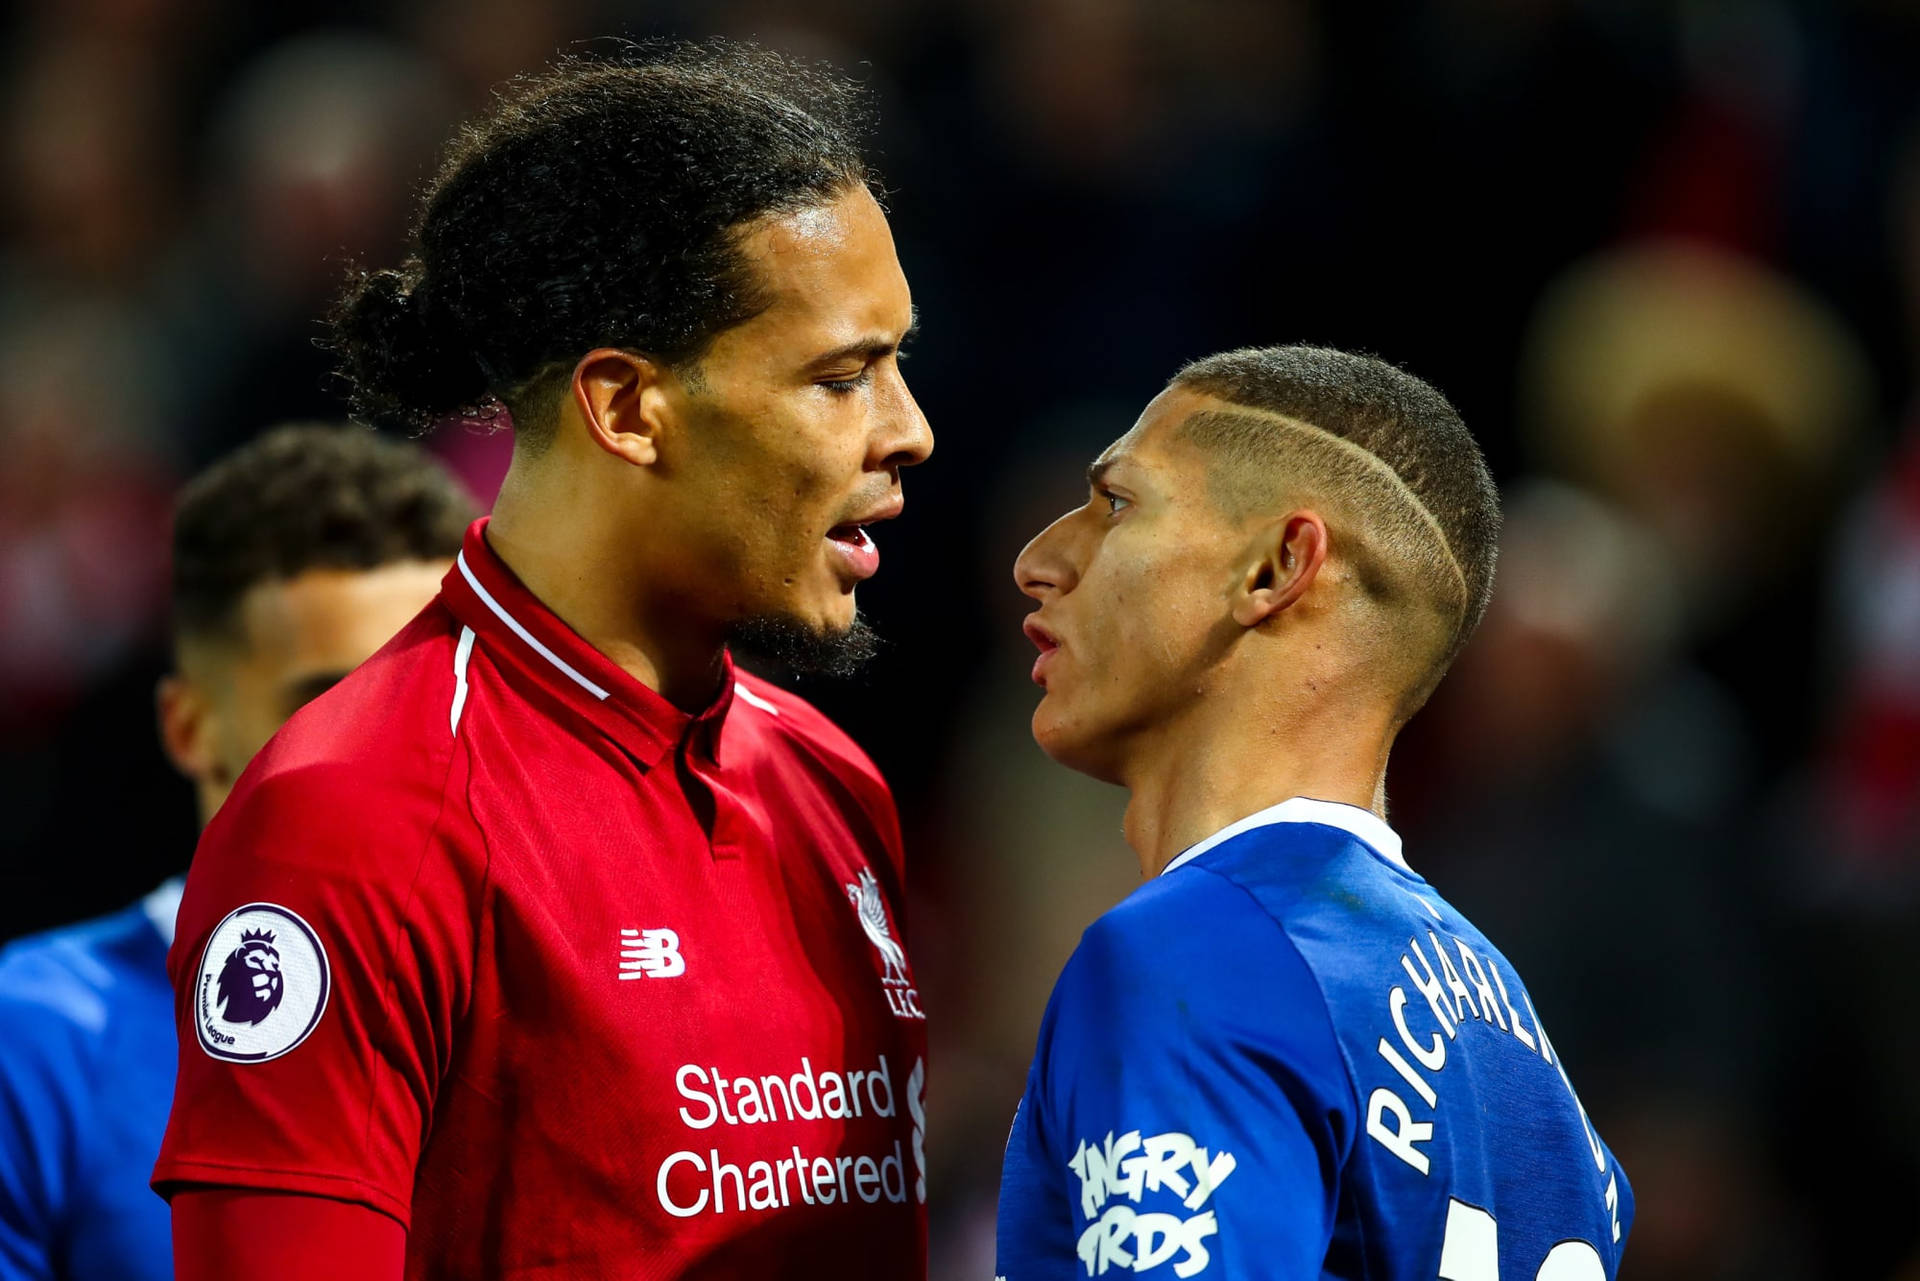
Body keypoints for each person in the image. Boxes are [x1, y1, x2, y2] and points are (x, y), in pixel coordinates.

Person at [155, 42, 933, 1281]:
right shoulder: (354, 817)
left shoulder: (835, 784)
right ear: (625, 407)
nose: (911, 431)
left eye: (897, 364)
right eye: (842, 378)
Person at [995, 346, 1633, 1279]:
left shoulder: (1197, 959)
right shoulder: (1523, 1055)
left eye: (1116, 504)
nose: (1037, 560)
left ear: (1277, 567)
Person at [0, 424, 474, 1281]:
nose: (400, 750)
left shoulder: (557, 1010)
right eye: (330, 702)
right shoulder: (29, 1044)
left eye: (429, 695)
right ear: (190, 728)